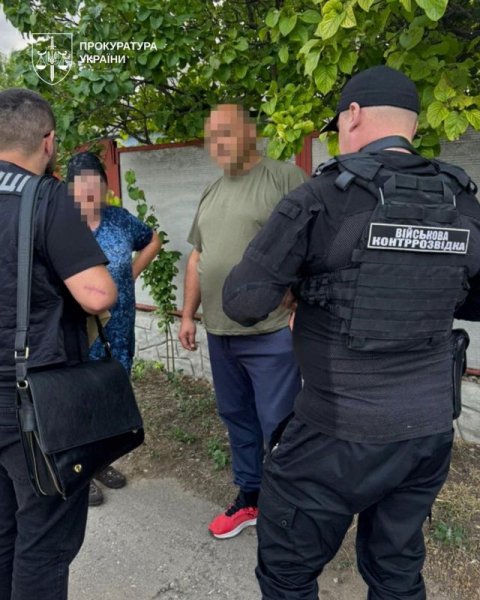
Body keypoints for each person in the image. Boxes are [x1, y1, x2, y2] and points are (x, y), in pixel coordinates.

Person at [223, 66, 480, 599]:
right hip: (426, 435)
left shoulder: (322, 197)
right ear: (411, 126)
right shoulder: (462, 202)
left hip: (335, 435)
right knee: (397, 575)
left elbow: (243, 302)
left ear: (354, 115)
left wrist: (299, 287)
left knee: (287, 573)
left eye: (338, 123)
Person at [0, 88, 117, 600]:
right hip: (32, 403)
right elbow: (97, 294)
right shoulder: (45, 198)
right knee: (44, 542)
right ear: (48, 142)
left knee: (3, 531)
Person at [179, 103, 307, 539]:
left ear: (250, 132)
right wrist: (188, 315)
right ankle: (250, 498)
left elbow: (314, 246)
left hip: (270, 333)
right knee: (237, 418)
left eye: (225, 133)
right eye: (210, 136)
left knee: (280, 422)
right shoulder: (211, 191)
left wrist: (302, 302)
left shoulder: (285, 178)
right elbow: (198, 257)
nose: (215, 143)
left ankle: (287, 508)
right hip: (220, 333)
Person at [67, 152, 162, 506]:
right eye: (81, 185)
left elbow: (152, 240)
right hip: (81, 332)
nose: (89, 191)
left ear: (105, 186)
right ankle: (80, 470)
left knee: (111, 398)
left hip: (120, 329)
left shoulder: (119, 219)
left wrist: (131, 274)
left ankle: (101, 461)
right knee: (80, 400)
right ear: (70, 189)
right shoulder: (62, 226)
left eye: (95, 184)